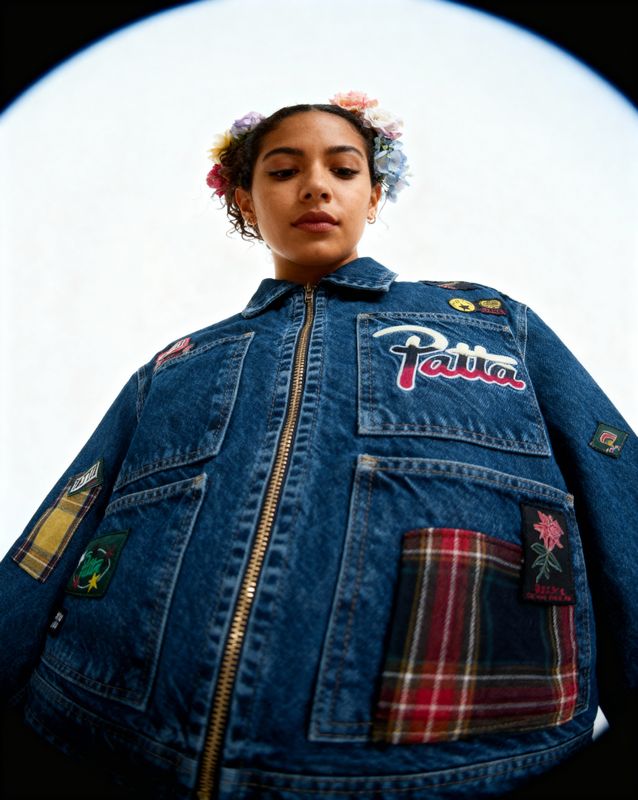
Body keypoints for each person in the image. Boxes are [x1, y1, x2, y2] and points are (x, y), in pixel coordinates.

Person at [1, 91, 636, 800]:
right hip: (100, 738)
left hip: (460, 758)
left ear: (374, 194)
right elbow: (52, 542)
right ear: (243, 199)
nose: (315, 186)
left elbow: (620, 500)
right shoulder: (173, 366)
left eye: (343, 168)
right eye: (282, 171)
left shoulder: (490, 324)